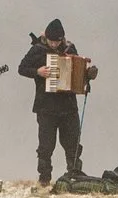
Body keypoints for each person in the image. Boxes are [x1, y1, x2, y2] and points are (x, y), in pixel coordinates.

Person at [15, 19, 90, 185]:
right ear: (46, 38)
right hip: (46, 107)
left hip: (68, 106)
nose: (55, 44)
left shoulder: (70, 48)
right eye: (52, 41)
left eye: (57, 41)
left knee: (73, 144)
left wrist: (88, 73)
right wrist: (38, 72)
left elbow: (79, 69)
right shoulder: (37, 50)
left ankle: (74, 176)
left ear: (62, 39)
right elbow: (21, 68)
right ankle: (44, 179)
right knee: (46, 146)